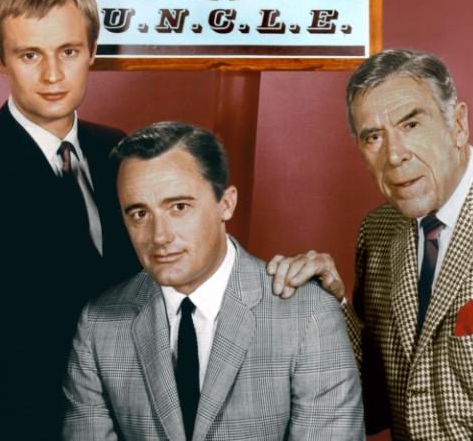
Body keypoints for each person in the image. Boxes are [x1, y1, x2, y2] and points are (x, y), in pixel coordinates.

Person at [268, 49, 473, 439]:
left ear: (458, 125)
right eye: (373, 137)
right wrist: (328, 306)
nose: (393, 155)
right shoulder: (377, 231)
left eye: (411, 125)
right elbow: (373, 404)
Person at [62, 121, 364, 441]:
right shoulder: (99, 325)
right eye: (139, 214)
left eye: (179, 207)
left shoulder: (307, 314)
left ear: (226, 204)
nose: (159, 236)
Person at [0, 0, 139, 440]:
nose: (53, 75)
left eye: (68, 52)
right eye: (30, 54)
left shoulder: (119, 152)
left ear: (92, 49)